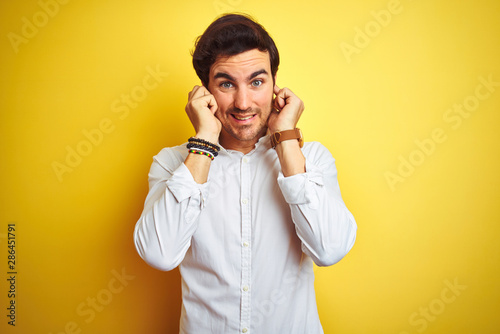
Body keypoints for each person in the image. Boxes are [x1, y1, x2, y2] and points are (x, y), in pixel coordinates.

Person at [134, 13, 357, 334]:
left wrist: (286, 140)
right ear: (204, 93)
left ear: (274, 85)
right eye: (226, 83)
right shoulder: (173, 164)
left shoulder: (313, 159)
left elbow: (329, 250)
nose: (243, 102)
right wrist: (204, 141)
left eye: (256, 82)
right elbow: (160, 254)